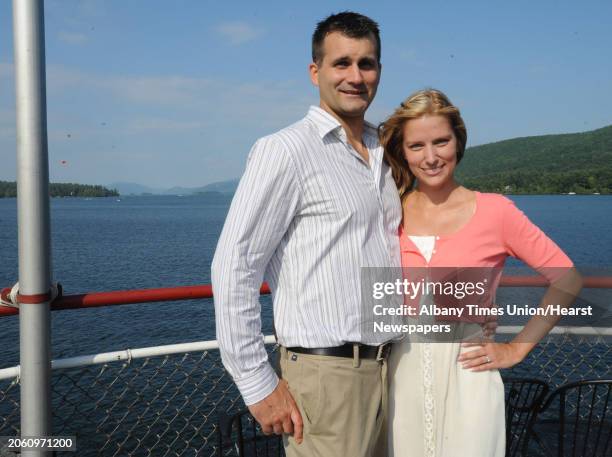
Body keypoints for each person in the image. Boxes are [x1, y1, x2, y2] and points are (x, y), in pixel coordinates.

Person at [212, 12, 403, 457]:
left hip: (392, 366)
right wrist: (257, 383)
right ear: (315, 72)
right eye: (342, 63)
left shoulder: (387, 151)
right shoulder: (285, 151)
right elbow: (234, 267)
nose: (356, 76)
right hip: (325, 377)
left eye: (367, 63)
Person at [379, 88, 583, 456]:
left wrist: (515, 349)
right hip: (400, 374)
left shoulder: (495, 212)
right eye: (416, 146)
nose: (430, 157)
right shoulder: (387, 209)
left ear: (458, 141)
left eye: (441, 141)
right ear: (402, 151)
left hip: (468, 375)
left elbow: (567, 279)